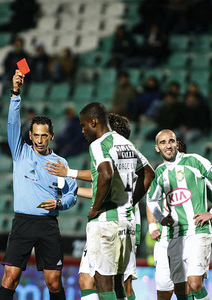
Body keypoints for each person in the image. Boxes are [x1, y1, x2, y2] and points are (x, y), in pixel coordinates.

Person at [0, 70, 77, 300]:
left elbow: (72, 195)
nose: (40, 140)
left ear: (51, 136)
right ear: (30, 135)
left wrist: (59, 203)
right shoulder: (20, 153)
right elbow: (13, 123)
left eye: (44, 136)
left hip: (48, 225)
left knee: (53, 282)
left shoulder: (61, 163)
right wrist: (15, 93)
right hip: (22, 223)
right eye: (36, 135)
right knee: (10, 277)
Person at [46, 113, 145, 300]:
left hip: (115, 219)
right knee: (87, 278)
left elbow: (103, 175)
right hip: (118, 219)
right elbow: (99, 186)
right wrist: (72, 191)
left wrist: (70, 173)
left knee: (122, 282)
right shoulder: (124, 153)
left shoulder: (106, 149)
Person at [78, 102, 154, 299]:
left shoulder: (98, 144)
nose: (83, 130)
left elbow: (105, 173)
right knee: (120, 284)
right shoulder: (126, 143)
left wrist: (96, 208)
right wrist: (131, 201)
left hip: (106, 222)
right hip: (127, 223)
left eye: (84, 125)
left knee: (103, 284)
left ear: (93, 122)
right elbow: (148, 173)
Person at [146, 129, 212, 299]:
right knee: (179, 289)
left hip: (196, 232)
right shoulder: (160, 172)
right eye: (163, 142)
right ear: (157, 148)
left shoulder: (194, 161)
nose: (168, 145)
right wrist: (160, 220)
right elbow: (151, 200)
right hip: (173, 236)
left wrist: (211, 213)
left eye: (171, 141)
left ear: (176, 143)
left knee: (194, 283)